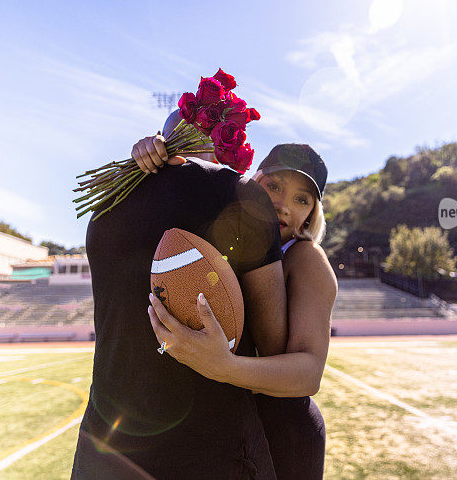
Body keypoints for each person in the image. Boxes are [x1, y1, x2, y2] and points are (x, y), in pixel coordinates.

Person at [71, 111, 289, 479]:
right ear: (216, 142)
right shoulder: (232, 190)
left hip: (104, 446)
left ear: (160, 141)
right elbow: (274, 342)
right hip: (210, 447)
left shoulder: (103, 208)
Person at [134, 128, 337, 480]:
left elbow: (309, 374)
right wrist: (157, 151)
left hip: (284, 431)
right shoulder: (232, 235)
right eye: (273, 187)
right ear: (252, 182)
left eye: (302, 200)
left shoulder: (306, 259)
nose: (283, 205)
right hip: (234, 428)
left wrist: (224, 366)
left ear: (311, 215)